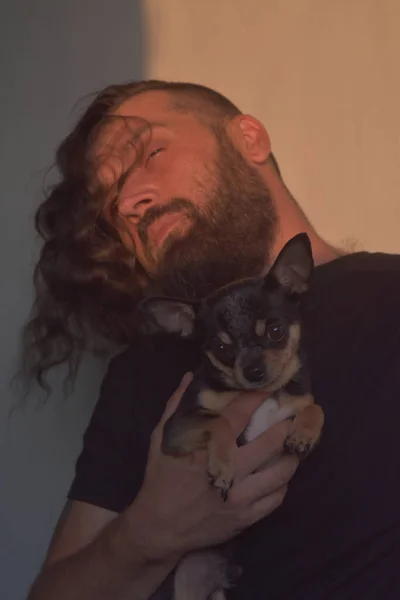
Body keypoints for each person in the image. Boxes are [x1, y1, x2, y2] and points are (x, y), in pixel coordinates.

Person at [23, 81, 400, 600]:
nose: (130, 202)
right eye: (109, 201)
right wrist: (147, 535)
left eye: (151, 153)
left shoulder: (390, 299)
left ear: (249, 138)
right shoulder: (139, 374)